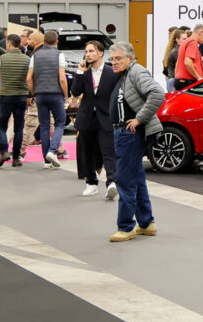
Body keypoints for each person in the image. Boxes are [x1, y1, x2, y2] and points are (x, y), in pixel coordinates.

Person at [106, 42, 160, 241]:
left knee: (125, 180)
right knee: (136, 178)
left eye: (118, 58)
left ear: (130, 58)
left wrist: (140, 118)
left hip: (130, 134)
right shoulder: (124, 75)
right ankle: (146, 223)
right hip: (123, 133)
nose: (114, 62)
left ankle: (126, 226)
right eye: (112, 59)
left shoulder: (136, 72)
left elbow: (157, 93)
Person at [69, 41, 114, 196]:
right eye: (86, 51)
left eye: (91, 51)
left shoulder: (111, 72)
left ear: (100, 53)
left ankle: (111, 182)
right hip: (86, 117)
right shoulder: (84, 73)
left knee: (108, 151)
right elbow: (75, 92)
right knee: (87, 152)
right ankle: (91, 183)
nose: (88, 54)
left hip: (106, 117)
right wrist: (79, 73)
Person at [0, 34, 31, 167]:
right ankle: (16, 158)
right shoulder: (27, 59)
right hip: (21, 96)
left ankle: (5, 151)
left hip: (6, 96)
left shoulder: (1, 59)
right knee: (19, 127)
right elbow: (29, 77)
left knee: (1, 126)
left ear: (9, 43)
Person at [28, 29, 69, 168]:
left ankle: (46, 162)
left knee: (44, 126)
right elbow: (62, 78)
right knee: (60, 123)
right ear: (57, 42)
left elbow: (29, 78)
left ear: (43, 41)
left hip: (40, 95)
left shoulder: (35, 55)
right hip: (56, 94)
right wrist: (66, 95)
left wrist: (34, 93)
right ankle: (52, 151)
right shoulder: (59, 55)